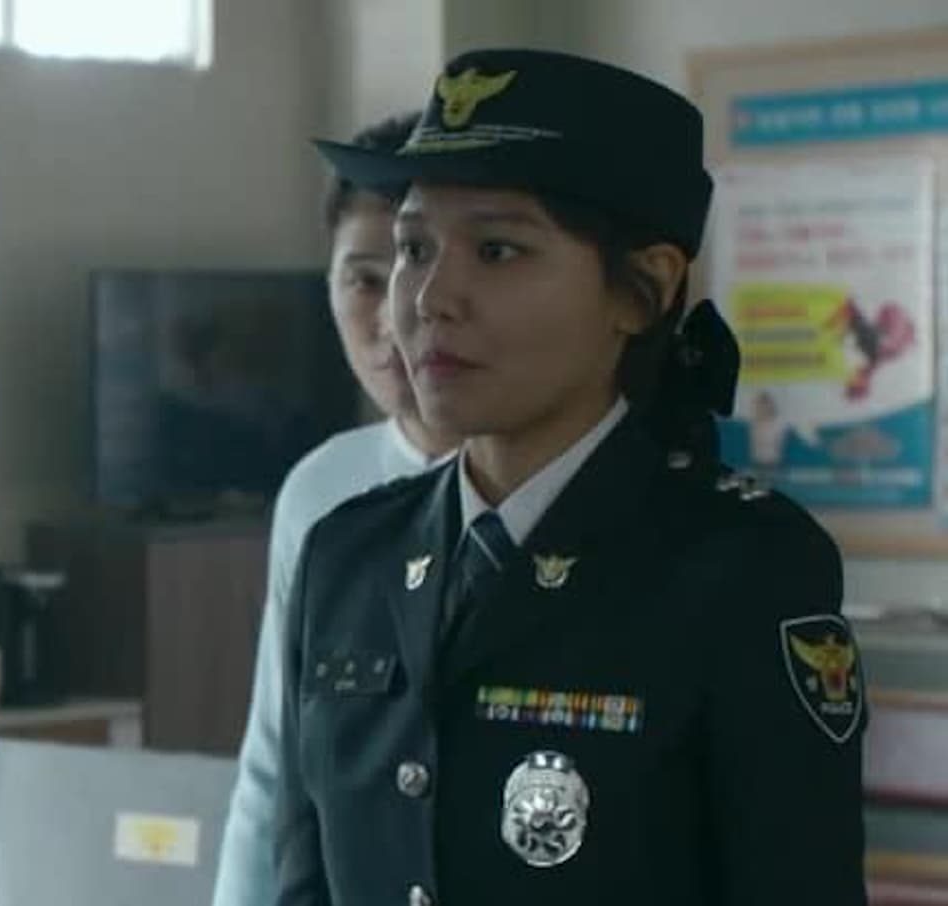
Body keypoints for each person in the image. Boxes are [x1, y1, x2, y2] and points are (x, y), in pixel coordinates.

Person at [278, 48, 867, 905]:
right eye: (413, 247)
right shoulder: (349, 553)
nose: (430, 297)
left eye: (498, 249)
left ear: (642, 290)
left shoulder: (739, 568)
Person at [211, 112, 458, 906]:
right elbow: (273, 764)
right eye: (363, 280)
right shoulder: (322, 489)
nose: (395, 316)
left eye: (420, 264)